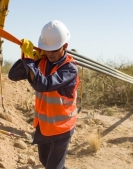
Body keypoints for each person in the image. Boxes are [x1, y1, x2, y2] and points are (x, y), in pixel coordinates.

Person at [8, 20, 80, 169]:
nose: (50, 53)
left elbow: (43, 84)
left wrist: (29, 61)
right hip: (44, 126)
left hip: (62, 128)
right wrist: (29, 58)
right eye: (47, 49)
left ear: (65, 46)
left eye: (54, 50)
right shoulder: (41, 61)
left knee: (53, 167)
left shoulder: (69, 69)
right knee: (45, 160)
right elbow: (13, 75)